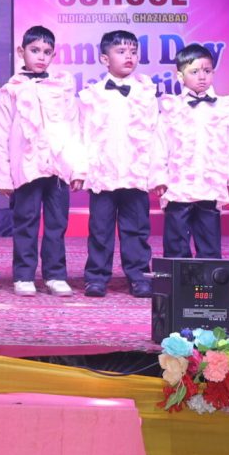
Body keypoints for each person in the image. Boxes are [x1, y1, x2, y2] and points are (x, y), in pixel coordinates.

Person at [0, 25, 79, 296]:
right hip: (26, 168)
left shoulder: (62, 87)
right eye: (35, 50)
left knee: (57, 223)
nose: (41, 56)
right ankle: (24, 275)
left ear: (54, 55)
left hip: (57, 168)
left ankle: (55, 274)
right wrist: (2, 176)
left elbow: (73, 127)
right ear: (22, 52)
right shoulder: (11, 90)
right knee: (25, 222)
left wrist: (77, 167)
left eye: (47, 52)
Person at [78, 30, 159, 298]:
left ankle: (139, 276)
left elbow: (154, 132)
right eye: (121, 51)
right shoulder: (91, 96)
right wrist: (82, 169)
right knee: (100, 229)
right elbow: (84, 133)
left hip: (135, 173)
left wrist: (155, 172)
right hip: (103, 174)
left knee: (136, 229)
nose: (129, 56)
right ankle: (96, 277)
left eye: (133, 51)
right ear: (105, 58)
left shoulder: (146, 93)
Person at [152, 44, 229, 260]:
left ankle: (208, 276)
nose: (202, 77)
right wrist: (159, 177)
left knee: (209, 238)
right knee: (176, 240)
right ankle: (176, 276)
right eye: (194, 71)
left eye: (207, 70)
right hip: (179, 184)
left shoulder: (225, 107)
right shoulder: (172, 107)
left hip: (209, 184)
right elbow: (159, 144)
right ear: (180, 75)